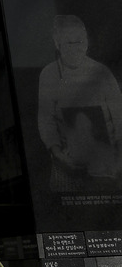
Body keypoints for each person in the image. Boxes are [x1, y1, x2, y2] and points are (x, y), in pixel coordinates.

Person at [38, 14, 122, 192]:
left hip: (108, 167)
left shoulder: (102, 73)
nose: (76, 49)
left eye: (81, 42)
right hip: (67, 167)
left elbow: (120, 116)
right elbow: (46, 120)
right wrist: (57, 152)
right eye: (70, 43)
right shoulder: (49, 74)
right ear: (57, 44)